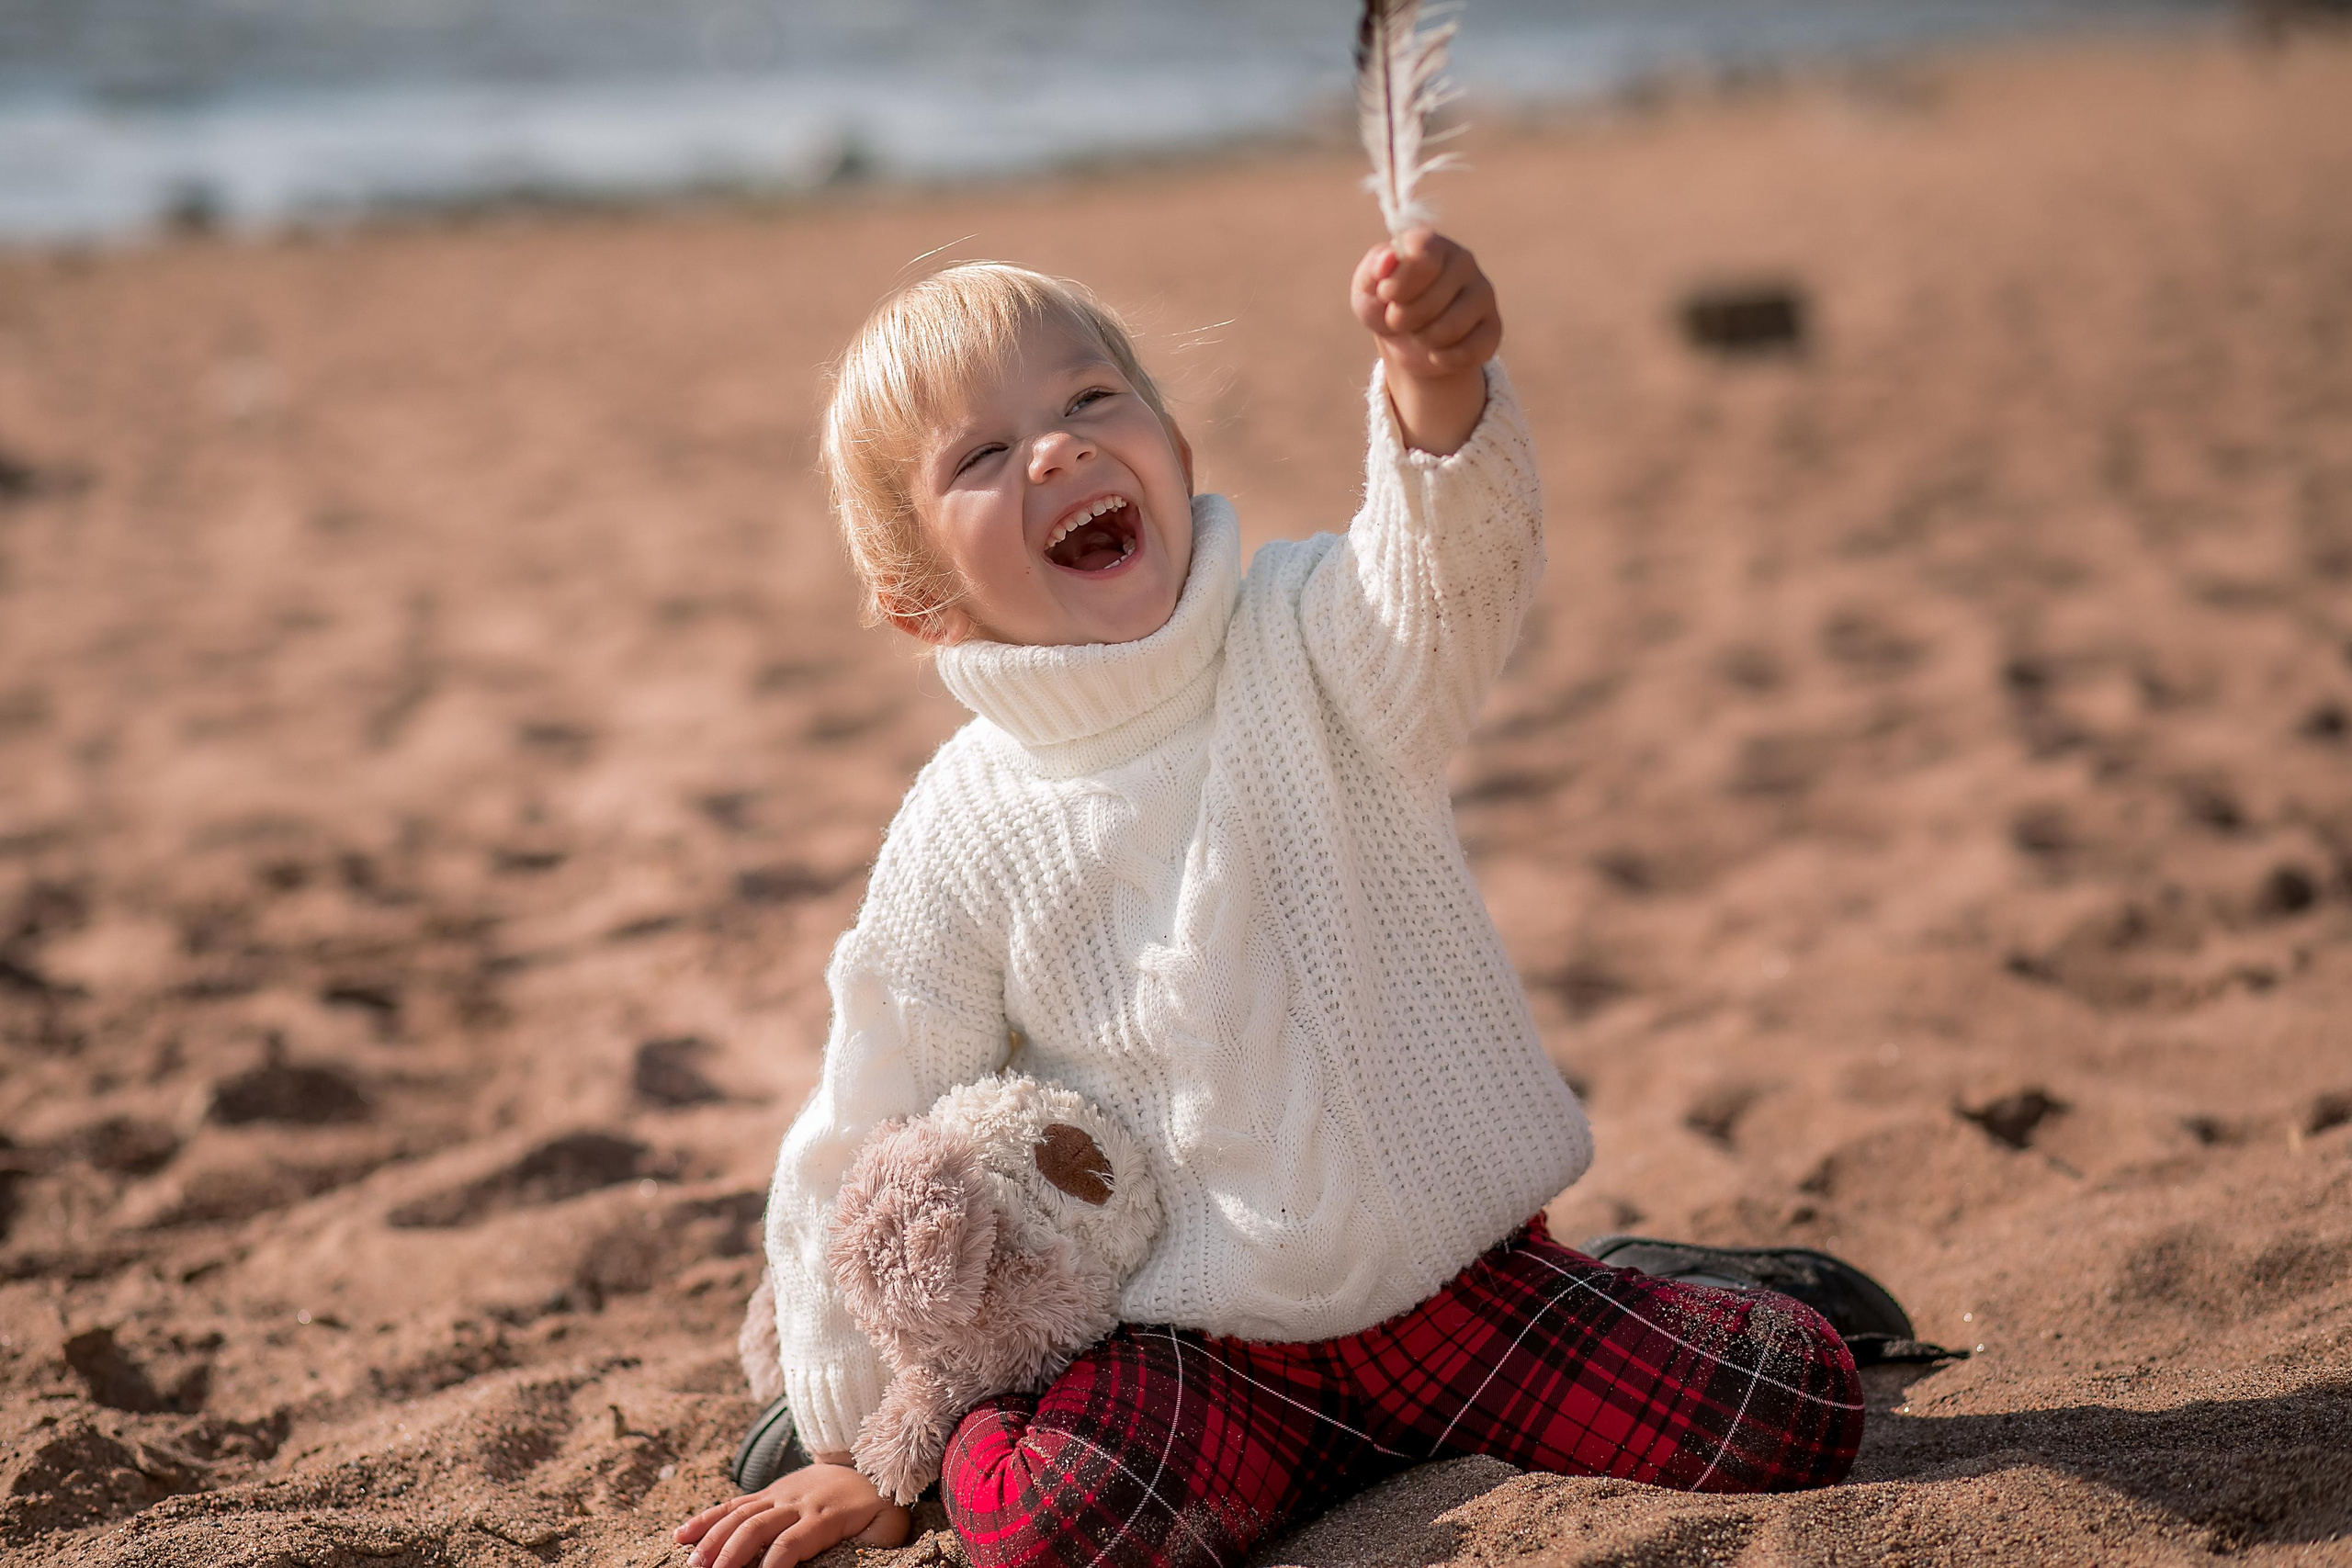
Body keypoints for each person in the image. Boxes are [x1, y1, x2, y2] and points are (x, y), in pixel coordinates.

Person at [675, 230, 1879, 1568]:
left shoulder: (1306, 633)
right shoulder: (961, 828)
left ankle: (1647, 1279)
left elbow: (1450, 590)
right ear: (921, 603)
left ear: (1177, 456)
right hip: (1201, 1345)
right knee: (1054, 1527)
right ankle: (993, 1412)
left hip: (1455, 1290)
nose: (1058, 453)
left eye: (1089, 403)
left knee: (1793, 1409)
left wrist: (1436, 393)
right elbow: (870, 1122)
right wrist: (857, 1445)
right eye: (980, 456)